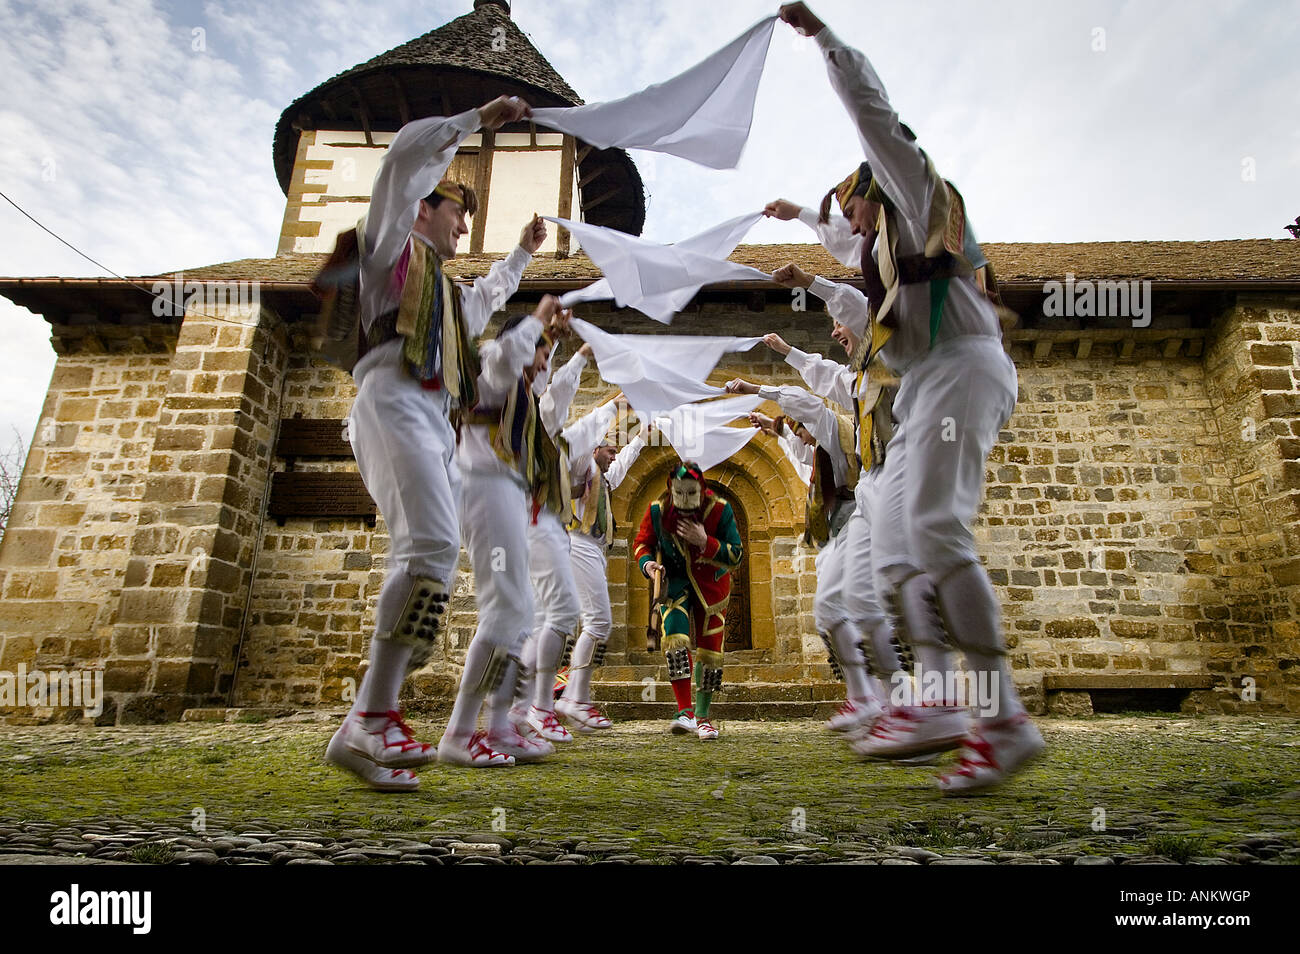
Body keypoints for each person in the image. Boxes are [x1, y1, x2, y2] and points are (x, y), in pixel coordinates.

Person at [779, 2, 1044, 793]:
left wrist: (825, 43)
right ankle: (935, 698)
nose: (847, 221)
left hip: (966, 367)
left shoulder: (915, 195)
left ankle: (1001, 718)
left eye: (849, 204)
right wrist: (803, 228)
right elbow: (852, 275)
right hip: (934, 382)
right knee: (900, 548)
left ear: (873, 189)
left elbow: (876, 119)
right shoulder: (884, 252)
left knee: (932, 526)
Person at [325, 95, 546, 791]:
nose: (463, 224)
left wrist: (522, 255)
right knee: (427, 549)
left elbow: (486, 298)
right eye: (458, 211)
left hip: (428, 418)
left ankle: (365, 724)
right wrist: (474, 121)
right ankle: (373, 715)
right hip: (391, 396)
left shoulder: (446, 300)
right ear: (426, 207)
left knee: (432, 556)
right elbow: (399, 164)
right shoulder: (390, 248)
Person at [438, 297, 572, 767]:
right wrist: (539, 322)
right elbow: (505, 355)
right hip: (484, 488)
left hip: (507, 492)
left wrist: (551, 337)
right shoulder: (492, 371)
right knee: (502, 610)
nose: (542, 366)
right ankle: (459, 732)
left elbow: (531, 367)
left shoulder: (519, 389)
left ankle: (498, 726)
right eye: (539, 354)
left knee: (520, 614)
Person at [727, 376, 885, 733]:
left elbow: (806, 404)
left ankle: (887, 700)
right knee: (833, 610)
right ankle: (866, 698)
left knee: (863, 609)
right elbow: (803, 461)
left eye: (800, 429)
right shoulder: (823, 454)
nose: (799, 435)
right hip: (835, 530)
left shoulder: (833, 428)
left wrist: (756, 389)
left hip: (857, 523)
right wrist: (778, 431)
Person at [633, 461, 743, 741]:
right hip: (675, 584)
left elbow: (736, 554)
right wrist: (647, 565)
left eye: (689, 495)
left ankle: (704, 716)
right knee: (675, 642)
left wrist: (706, 540)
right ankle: (685, 711)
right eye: (679, 495)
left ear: (701, 490)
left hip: (712, 588)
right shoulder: (657, 510)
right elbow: (643, 543)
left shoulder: (720, 509)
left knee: (710, 653)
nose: (683, 502)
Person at [556, 414, 649, 730]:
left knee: (588, 622)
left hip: (595, 549)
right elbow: (583, 441)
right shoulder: (582, 467)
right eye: (609, 450)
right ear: (594, 448)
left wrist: (641, 437)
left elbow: (623, 463)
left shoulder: (605, 479)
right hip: (578, 542)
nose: (613, 456)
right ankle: (573, 697)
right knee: (598, 621)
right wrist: (618, 407)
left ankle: (572, 697)